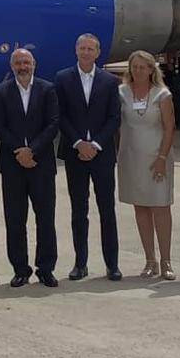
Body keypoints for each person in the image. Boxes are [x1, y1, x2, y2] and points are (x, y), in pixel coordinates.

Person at [56, 33, 123, 281]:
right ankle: (80, 263)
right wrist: (78, 143)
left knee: (107, 210)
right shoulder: (63, 78)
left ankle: (112, 264)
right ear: (76, 50)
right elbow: (60, 115)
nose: (85, 52)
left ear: (97, 52)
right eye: (82, 48)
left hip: (102, 154)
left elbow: (114, 117)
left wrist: (95, 144)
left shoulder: (109, 81)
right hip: (75, 154)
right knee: (78, 211)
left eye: (90, 49)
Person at [0, 46, 59, 288]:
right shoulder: (1, 91)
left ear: (34, 65)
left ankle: (46, 268)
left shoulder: (47, 89)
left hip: (41, 164)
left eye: (26, 62)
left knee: (45, 218)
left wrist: (33, 150)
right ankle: (20, 269)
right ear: (12, 66)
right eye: (18, 63)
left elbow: (53, 123)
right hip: (12, 165)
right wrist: (19, 152)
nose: (22, 66)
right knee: (15, 219)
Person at [115, 50, 175, 281]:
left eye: (143, 67)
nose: (138, 71)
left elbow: (169, 127)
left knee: (160, 206)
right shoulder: (121, 93)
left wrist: (161, 158)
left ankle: (166, 259)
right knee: (140, 207)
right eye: (134, 67)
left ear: (152, 69)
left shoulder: (162, 94)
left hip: (155, 157)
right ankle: (150, 260)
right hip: (131, 157)